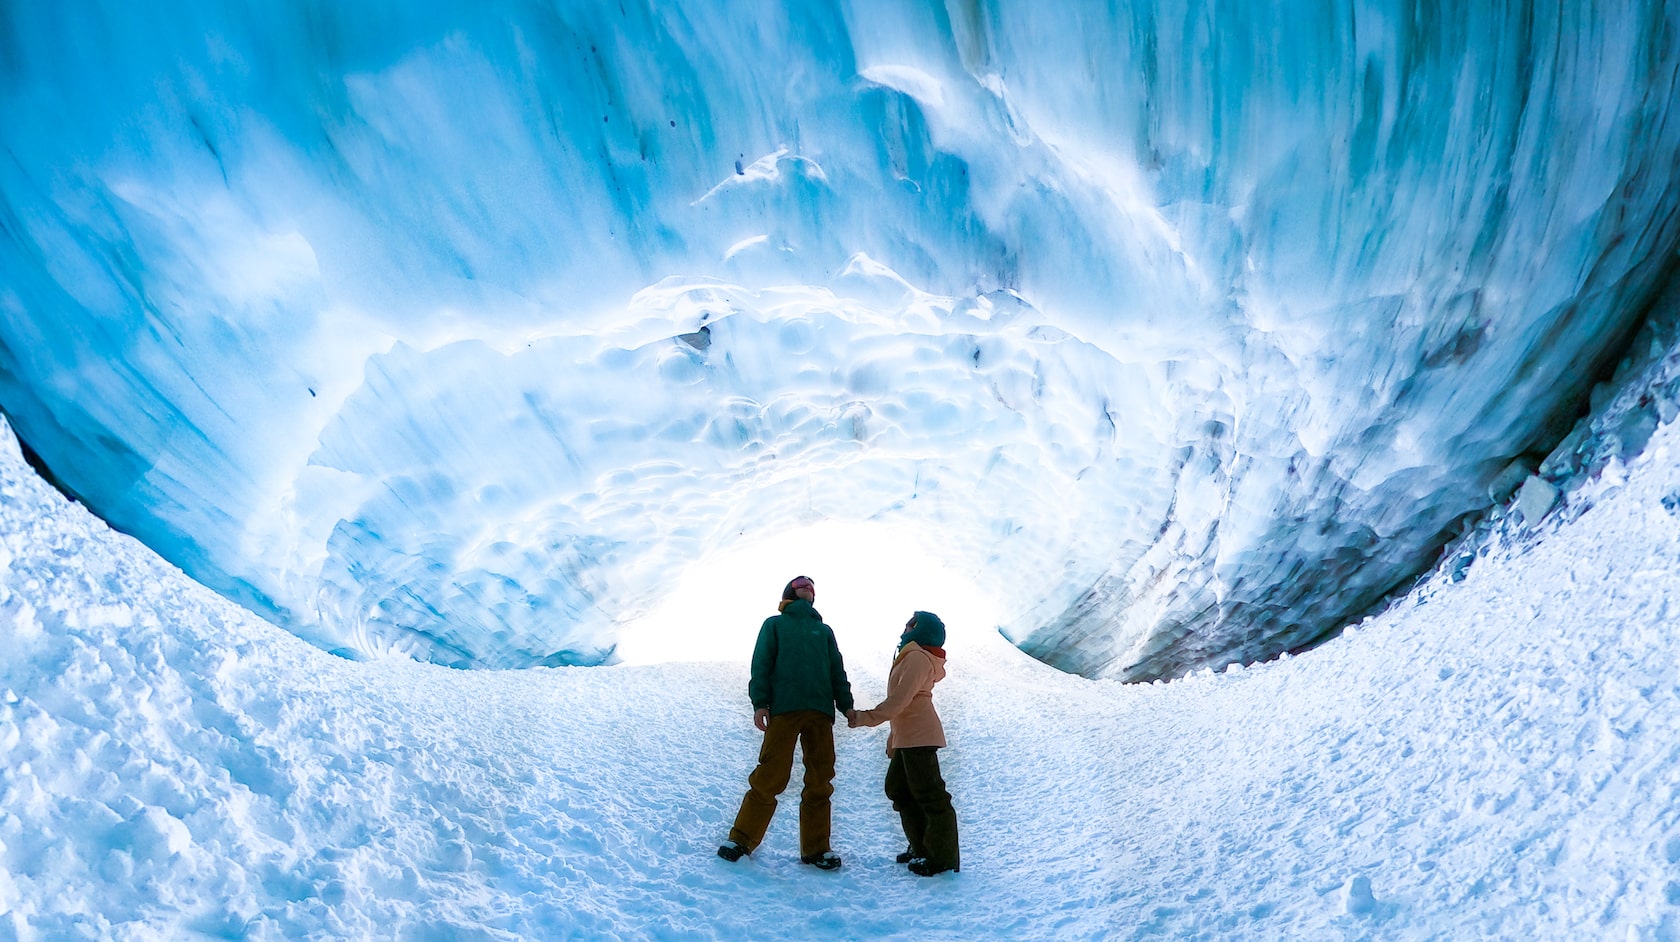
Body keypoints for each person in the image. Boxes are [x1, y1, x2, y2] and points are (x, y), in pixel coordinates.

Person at [718, 575, 856, 870]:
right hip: (784, 709)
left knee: (821, 779)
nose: (808, 586)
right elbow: (762, 664)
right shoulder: (775, 624)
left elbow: (836, 670)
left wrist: (847, 705)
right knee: (771, 773)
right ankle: (741, 839)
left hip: (820, 711)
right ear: (789, 592)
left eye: (811, 585)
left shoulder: (824, 630)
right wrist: (760, 704)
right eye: (801, 583)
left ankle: (817, 849)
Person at [849, 610, 959, 876]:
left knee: (931, 797)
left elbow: (899, 701)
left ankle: (940, 858)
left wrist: (863, 718)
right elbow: (904, 707)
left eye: (911, 625)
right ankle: (921, 847)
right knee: (898, 789)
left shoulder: (918, 658)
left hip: (919, 737)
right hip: (909, 737)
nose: (905, 628)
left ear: (922, 630)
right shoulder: (912, 655)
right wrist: (894, 739)